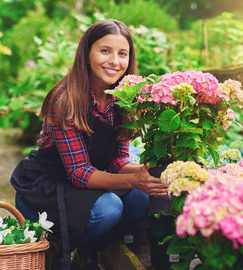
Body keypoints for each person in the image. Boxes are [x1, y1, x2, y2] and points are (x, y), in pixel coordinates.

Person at [10, 19, 168, 270]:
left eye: (122, 54)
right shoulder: (66, 99)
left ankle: (89, 250)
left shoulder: (122, 98)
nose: (114, 61)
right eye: (105, 51)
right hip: (47, 189)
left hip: (85, 186)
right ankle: (55, 249)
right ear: (86, 53)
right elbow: (78, 172)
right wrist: (132, 180)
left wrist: (141, 173)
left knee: (140, 198)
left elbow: (117, 160)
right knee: (109, 208)